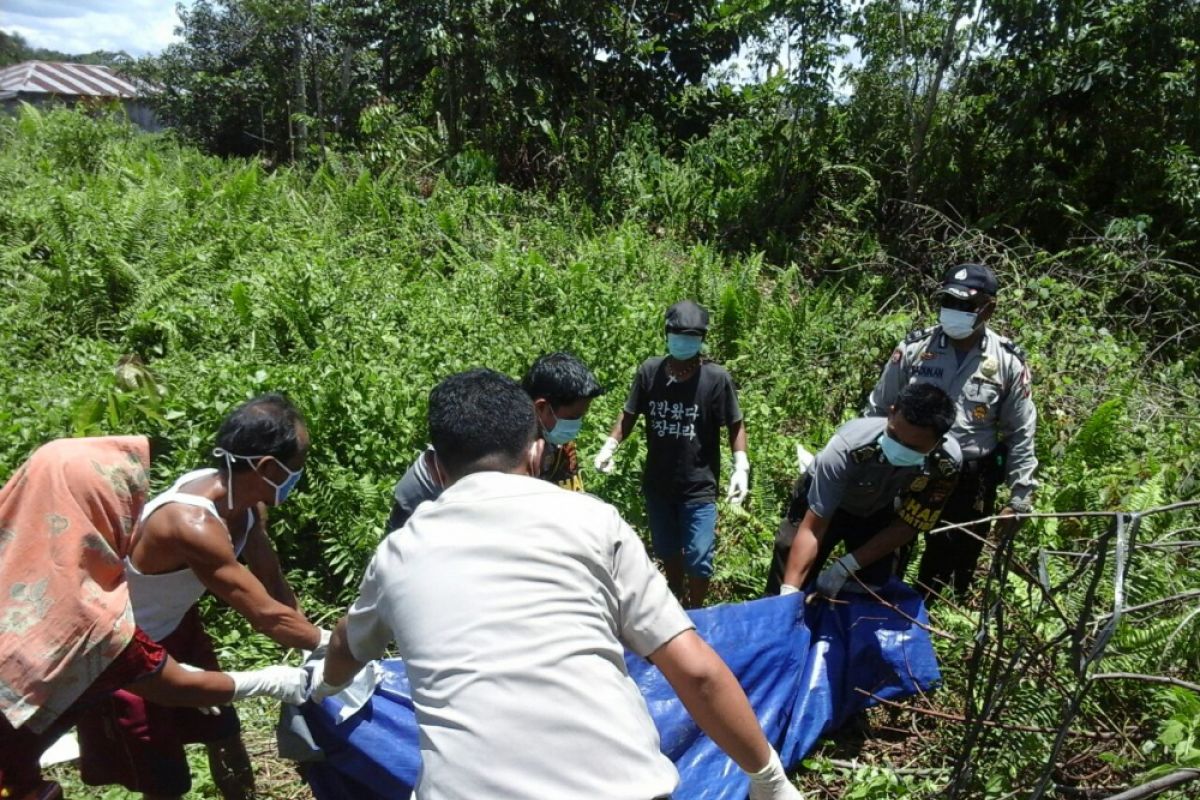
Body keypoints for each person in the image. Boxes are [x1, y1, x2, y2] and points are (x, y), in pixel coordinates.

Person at [310, 369, 799, 800]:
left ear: (437, 468)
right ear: (536, 449)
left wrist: (324, 686)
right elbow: (695, 671)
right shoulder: (594, 522)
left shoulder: (399, 552)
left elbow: (346, 644)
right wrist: (768, 779)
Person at [0, 435, 309, 800]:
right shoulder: (91, 621)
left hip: (18, 756)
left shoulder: (25, 570)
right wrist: (271, 679)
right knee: (159, 773)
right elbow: (167, 682)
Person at [75, 394, 326, 800]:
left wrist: (309, 643)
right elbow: (265, 615)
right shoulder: (192, 524)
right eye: (297, 465)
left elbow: (272, 581)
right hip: (129, 644)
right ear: (266, 468)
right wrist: (332, 644)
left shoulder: (246, 504)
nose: (300, 473)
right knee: (163, 775)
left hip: (178, 625)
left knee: (224, 731)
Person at [865, 264, 1037, 598]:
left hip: (969, 478)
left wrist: (1020, 498)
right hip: (908, 463)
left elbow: (1020, 431)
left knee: (951, 564)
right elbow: (878, 408)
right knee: (884, 552)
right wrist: (871, 465)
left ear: (989, 308)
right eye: (948, 302)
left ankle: (931, 629)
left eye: (965, 306)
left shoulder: (1008, 362)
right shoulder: (915, 348)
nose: (954, 312)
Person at [593, 299, 748, 608]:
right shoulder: (651, 372)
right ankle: (676, 598)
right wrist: (610, 445)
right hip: (659, 484)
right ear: (666, 334)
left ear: (701, 339)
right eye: (677, 334)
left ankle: (696, 610)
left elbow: (735, 422)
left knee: (700, 557)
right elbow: (629, 414)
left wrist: (740, 465)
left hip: (699, 485)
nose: (683, 341)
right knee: (667, 551)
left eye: (691, 336)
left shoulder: (716, 379)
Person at [767, 383, 961, 598]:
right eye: (894, 437)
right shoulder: (847, 447)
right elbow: (813, 528)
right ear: (892, 412)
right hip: (826, 503)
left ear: (938, 442)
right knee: (789, 569)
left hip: (880, 508)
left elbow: (910, 523)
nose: (899, 448)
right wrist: (788, 592)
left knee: (873, 585)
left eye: (913, 448)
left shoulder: (946, 464)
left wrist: (847, 565)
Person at [383, 351, 603, 532]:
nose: (577, 425)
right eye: (573, 418)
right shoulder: (501, 443)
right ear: (542, 407)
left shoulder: (554, 444)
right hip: (426, 505)